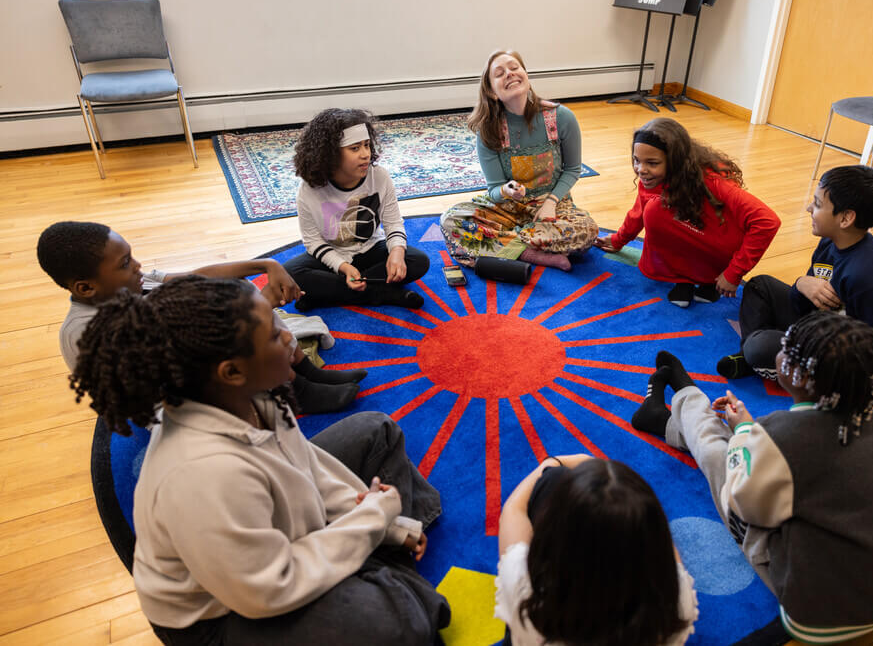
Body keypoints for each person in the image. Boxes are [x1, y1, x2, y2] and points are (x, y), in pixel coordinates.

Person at [70, 276, 450, 645]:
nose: (289, 338)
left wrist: (387, 524)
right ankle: (382, 578)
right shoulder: (202, 473)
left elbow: (311, 466)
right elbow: (267, 588)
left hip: (278, 546)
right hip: (225, 615)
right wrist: (372, 519)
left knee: (376, 431)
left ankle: (377, 570)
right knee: (394, 626)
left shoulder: (254, 397)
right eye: (273, 334)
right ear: (231, 371)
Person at [631, 314, 873, 643]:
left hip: (817, 615)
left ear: (798, 375)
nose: (778, 352)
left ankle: (686, 399)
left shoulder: (779, 437)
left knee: (719, 460)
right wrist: (754, 435)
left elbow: (743, 502)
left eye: (788, 349)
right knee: (751, 454)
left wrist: (745, 432)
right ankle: (669, 420)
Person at [36, 220, 363, 414]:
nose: (137, 267)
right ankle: (295, 392)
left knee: (239, 290)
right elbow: (176, 368)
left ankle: (301, 373)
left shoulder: (129, 286)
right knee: (247, 313)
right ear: (85, 287)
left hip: (188, 368)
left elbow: (197, 275)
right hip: (173, 403)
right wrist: (257, 311)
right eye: (125, 264)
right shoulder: (87, 332)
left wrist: (265, 267)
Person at [716, 164, 873, 389]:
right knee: (760, 286)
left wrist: (856, 402)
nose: (809, 208)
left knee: (759, 347)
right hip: (819, 324)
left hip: (837, 355)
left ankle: (763, 361)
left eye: (817, 204)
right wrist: (800, 285)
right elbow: (805, 306)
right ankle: (756, 360)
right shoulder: (830, 242)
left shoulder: (869, 276)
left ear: (846, 218)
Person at [496, 455, 698, 646]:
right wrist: (616, 487)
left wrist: (551, 463)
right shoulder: (677, 604)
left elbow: (514, 510)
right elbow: (666, 551)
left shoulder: (526, 596)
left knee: (551, 480)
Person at [595, 118, 780, 308]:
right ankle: (684, 279)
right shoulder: (651, 178)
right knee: (654, 211)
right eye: (636, 160)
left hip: (721, 241)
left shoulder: (714, 182)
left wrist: (734, 272)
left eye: (652, 163)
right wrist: (619, 240)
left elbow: (767, 221)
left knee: (657, 210)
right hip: (693, 234)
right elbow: (638, 212)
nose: (641, 170)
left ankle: (709, 280)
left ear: (675, 161)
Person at [440, 50, 598, 271]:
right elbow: (494, 189)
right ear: (492, 92)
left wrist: (551, 203)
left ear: (525, 74)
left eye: (514, 68)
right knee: (451, 220)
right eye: (500, 73)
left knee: (587, 229)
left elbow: (573, 169)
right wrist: (506, 191)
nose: (510, 74)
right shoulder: (488, 130)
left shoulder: (561, 117)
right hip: (508, 209)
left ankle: (503, 246)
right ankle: (534, 253)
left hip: (551, 206)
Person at [285, 108, 430, 310]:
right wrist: (343, 267)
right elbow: (313, 241)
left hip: (370, 250)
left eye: (367, 145)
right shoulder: (310, 189)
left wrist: (396, 253)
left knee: (418, 261)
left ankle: (326, 295)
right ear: (331, 154)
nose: (365, 154)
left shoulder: (379, 177)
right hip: (333, 257)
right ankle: (383, 294)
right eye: (355, 148)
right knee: (289, 272)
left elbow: (393, 223)